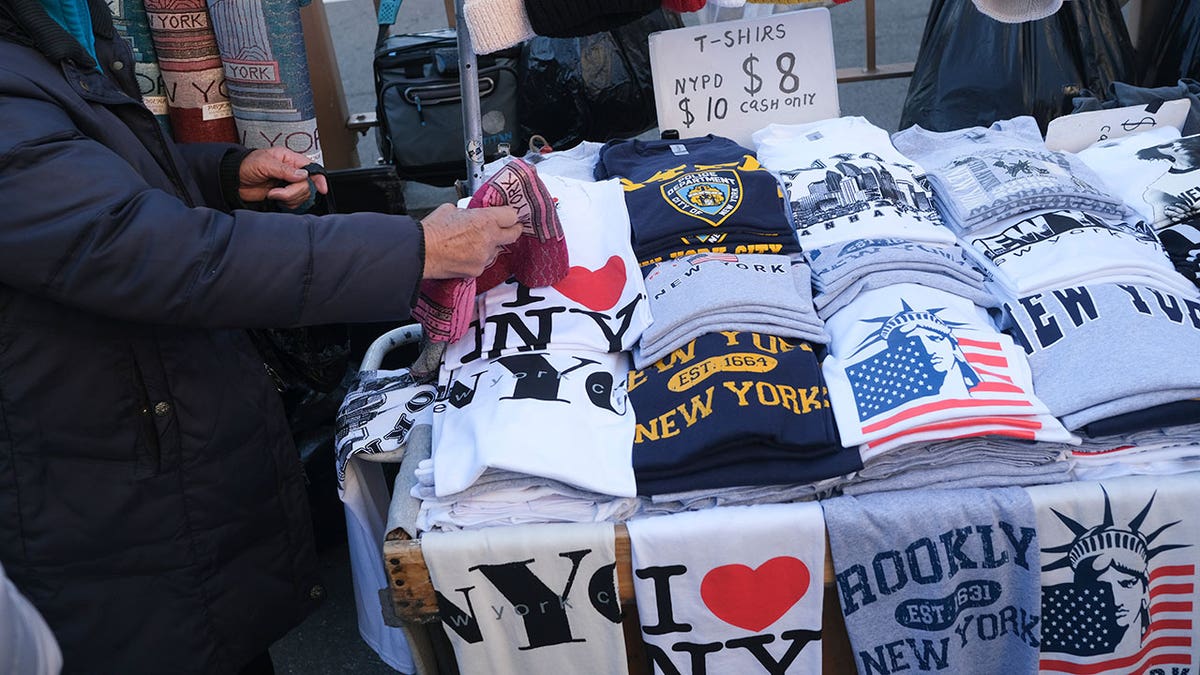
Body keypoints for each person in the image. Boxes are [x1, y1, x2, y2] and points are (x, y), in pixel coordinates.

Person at [0, 0, 521, 672]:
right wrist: (411, 250)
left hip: (141, 456)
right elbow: (148, 250)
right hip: (92, 486)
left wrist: (218, 176)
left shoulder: (57, 26)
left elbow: (100, 185)